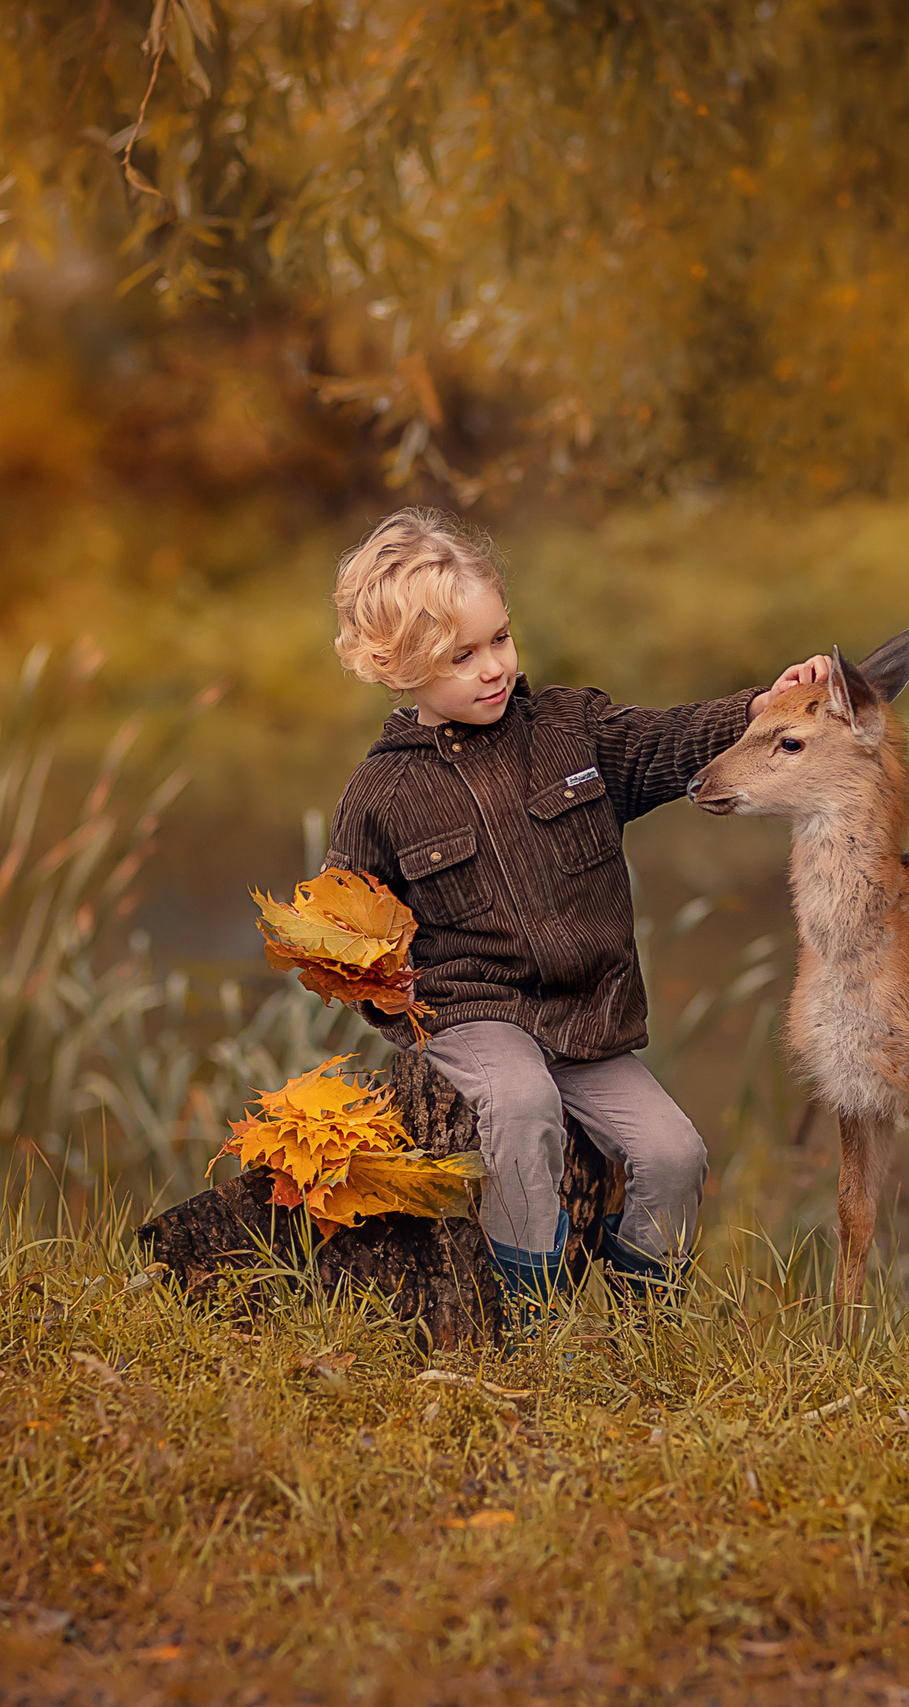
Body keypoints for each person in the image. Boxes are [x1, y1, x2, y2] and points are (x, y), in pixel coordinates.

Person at [321, 507, 827, 1303]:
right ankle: (530, 1311)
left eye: (500, 638)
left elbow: (669, 739)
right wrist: (386, 997)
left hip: (588, 1021)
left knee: (675, 1153)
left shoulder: (571, 730)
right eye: (462, 656)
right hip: (475, 1013)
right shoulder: (382, 791)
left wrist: (762, 707)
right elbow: (341, 927)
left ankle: (642, 1320)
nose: (493, 667)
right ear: (397, 666)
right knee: (521, 1104)